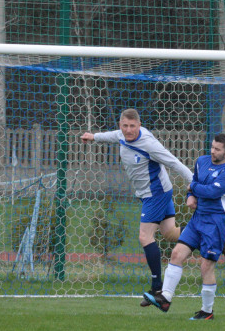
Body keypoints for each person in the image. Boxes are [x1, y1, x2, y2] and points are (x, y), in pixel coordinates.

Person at [80, 109, 194, 306]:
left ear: (139, 125)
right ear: (121, 125)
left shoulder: (148, 144)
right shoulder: (122, 135)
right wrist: (93, 137)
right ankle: (205, 233)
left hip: (155, 193)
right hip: (154, 192)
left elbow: (174, 162)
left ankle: (157, 288)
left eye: (133, 126)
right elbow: (112, 136)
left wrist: (194, 184)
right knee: (170, 234)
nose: (128, 130)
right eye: (125, 126)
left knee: (144, 236)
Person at [144, 134, 225, 319]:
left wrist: (192, 189)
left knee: (206, 266)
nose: (212, 151)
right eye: (212, 147)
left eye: (218, 149)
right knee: (177, 254)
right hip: (198, 219)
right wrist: (190, 196)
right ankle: (165, 298)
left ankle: (207, 311)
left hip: (216, 222)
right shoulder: (201, 161)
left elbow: (212, 191)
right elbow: (195, 186)